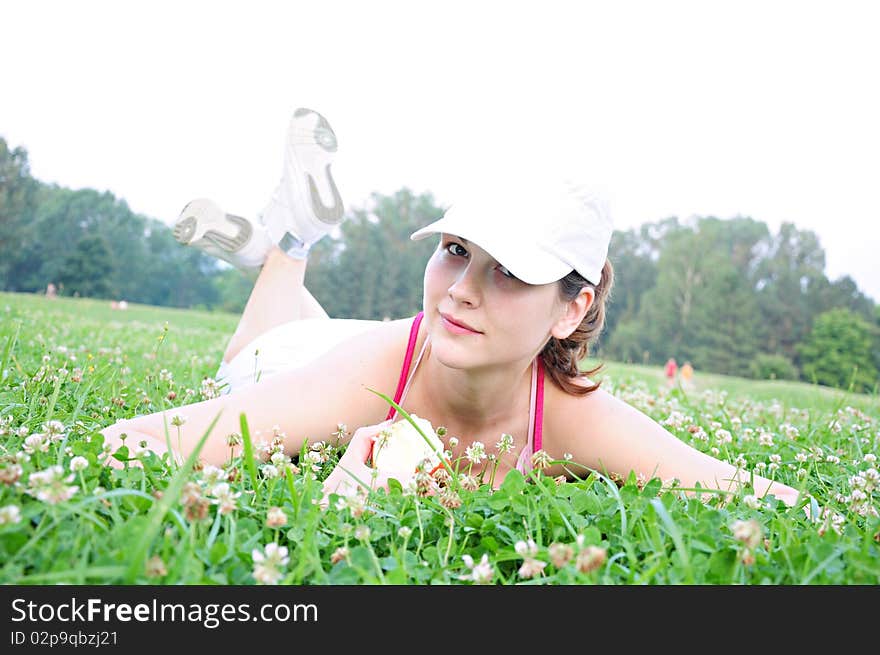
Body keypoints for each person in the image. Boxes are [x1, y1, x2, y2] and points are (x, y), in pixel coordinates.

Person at [100, 107, 802, 509]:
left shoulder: (567, 414)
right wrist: (338, 504)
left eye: (510, 272)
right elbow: (156, 439)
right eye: (457, 249)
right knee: (253, 349)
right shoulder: (373, 367)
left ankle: (287, 237)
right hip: (304, 359)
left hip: (342, 343)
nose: (462, 288)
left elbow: (750, 491)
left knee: (292, 311)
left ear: (570, 308)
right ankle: (288, 241)